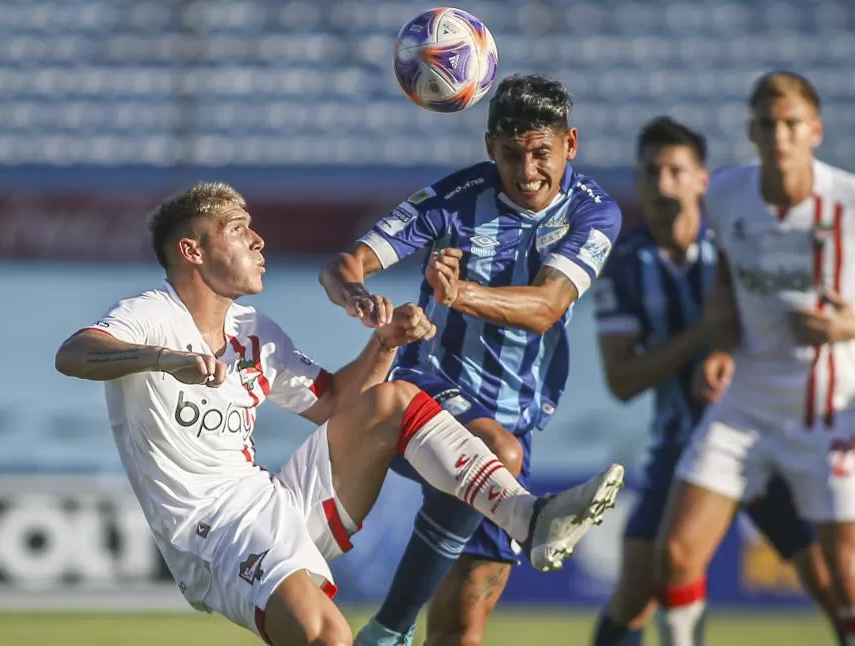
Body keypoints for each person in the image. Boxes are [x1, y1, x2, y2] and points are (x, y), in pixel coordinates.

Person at [54, 182, 625, 646]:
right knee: (326, 637)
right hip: (211, 531)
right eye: (237, 229)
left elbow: (337, 405)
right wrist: (162, 359)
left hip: (273, 501)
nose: (257, 239)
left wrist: (387, 344)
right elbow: (74, 353)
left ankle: (527, 518)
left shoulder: (254, 331)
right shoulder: (153, 314)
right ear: (192, 251)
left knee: (393, 401)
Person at [320, 74, 625, 646]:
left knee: (462, 632)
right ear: (491, 149)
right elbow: (344, 263)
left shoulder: (594, 214)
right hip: (428, 387)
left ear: (571, 145)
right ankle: (387, 630)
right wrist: (360, 298)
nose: (528, 170)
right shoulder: (455, 199)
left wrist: (458, 294)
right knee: (495, 452)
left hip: (516, 416)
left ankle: (393, 630)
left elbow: (547, 306)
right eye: (512, 155)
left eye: (541, 153)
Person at [591, 116, 839, 646]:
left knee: (828, 578)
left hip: (767, 437)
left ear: (704, 179)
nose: (664, 184)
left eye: (677, 171)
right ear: (637, 181)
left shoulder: (743, 246)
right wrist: (703, 335)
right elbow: (622, 380)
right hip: (681, 448)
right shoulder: (623, 269)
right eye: (652, 172)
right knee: (637, 589)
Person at [655, 70, 855, 646]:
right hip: (744, 401)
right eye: (767, 124)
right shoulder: (726, 194)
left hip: (828, 407)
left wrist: (845, 324)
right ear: (751, 130)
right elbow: (724, 280)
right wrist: (718, 343)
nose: (779, 135)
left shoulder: (846, 200)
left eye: (791, 124)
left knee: (844, 576)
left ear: (814, 130)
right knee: (676, 553)